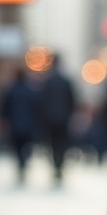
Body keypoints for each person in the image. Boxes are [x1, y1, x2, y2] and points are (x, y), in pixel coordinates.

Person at [0, 66, 40, 184]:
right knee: (26, 147)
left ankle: (21, 164)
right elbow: (37, 109)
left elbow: (4, 109)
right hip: (28, 125)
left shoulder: (10, 91)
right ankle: (23, 163)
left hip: (14, 125)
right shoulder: (31, 91)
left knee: (17, 147)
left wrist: (3, 122)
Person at [39, 53, 76, 185]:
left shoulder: (47, 81)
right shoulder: (66, 80)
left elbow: (42, 101)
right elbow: (72, 100)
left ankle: (56, 166)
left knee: (52, 144)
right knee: (62, 144)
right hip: (63, 118)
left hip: (50, 119)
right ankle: (59, 165)